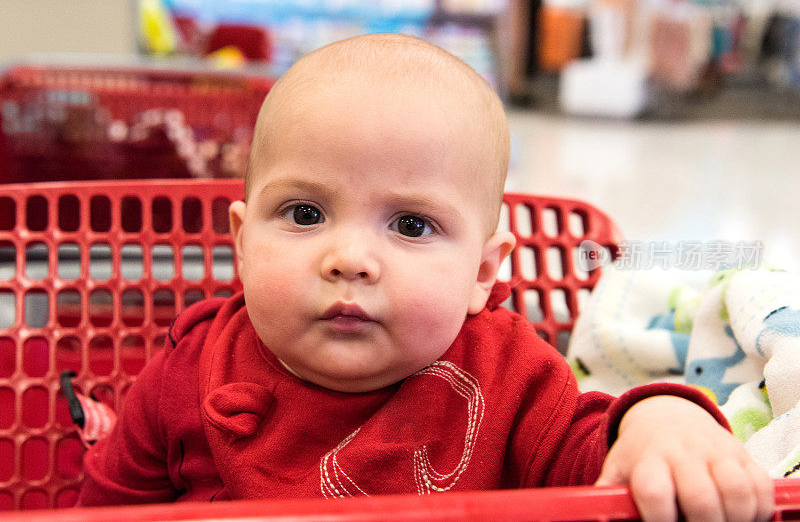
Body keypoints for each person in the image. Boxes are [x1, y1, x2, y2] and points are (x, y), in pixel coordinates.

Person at [78, 34, 773, 521]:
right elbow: (105, 503)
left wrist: (659, 422)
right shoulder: (191, 366)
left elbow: (592, 452)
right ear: (240, 240)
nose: (349, 258)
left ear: (481, 274)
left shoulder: (509, 376)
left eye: (411, 226)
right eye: (305, 211)